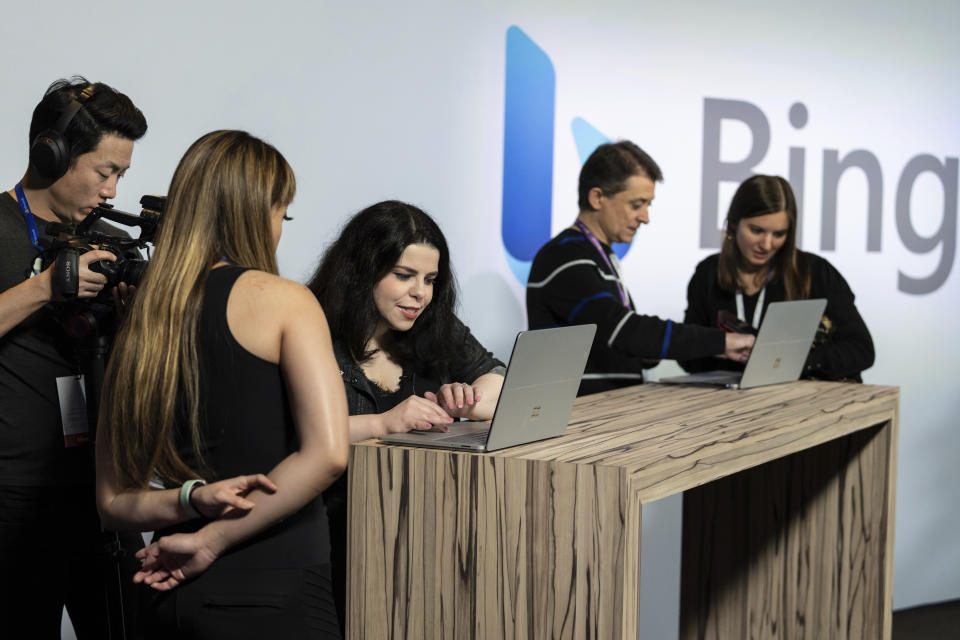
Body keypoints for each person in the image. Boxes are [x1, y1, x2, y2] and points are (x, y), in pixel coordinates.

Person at [95, 130, 350, 639]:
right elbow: (328, 453)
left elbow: (114, 503)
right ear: (255, 212)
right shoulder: (285, 301)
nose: (281, 228)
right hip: (275, 593)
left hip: (166, 595)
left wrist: (193, 500)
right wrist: (212, 538)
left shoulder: (142, 318)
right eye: (283, 213)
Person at [307, 200, 506, 631]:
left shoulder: (432, 324)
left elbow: (498, 376)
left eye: (430, 280)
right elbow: (292, 434)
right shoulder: (311, 328)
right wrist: (383, 423)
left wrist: (469, 399)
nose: (421, 293)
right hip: (330, 541)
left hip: (416, 535)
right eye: (404, 276)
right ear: (362, 271)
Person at [0, 77, 147, 638]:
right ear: (50, 153)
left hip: (102, 485)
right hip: (15, 494)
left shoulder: (111, 242)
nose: (112, 191)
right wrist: (44, 289)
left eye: (122, 175)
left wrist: (136, 318)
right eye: (104, 171)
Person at [526, 140, 755, 395]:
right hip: (580, 422)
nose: (645, 217)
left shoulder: (597, 256)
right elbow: (624, 331)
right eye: (637, 205)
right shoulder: (564, 256)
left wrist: (643, 354)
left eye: (648, 205)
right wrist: (721, 342)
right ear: (597, 197)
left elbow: (614, 338)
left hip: (603, 414)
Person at [680, 174, 874, 381]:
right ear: (734, 223)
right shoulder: (708, 273)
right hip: (730, 404)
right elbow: (690, 361)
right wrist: (718, 346)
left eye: (779, 234)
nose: (766, 244)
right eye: (756, 231)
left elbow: (861, 350)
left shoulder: (815, 272)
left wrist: (790, 363)